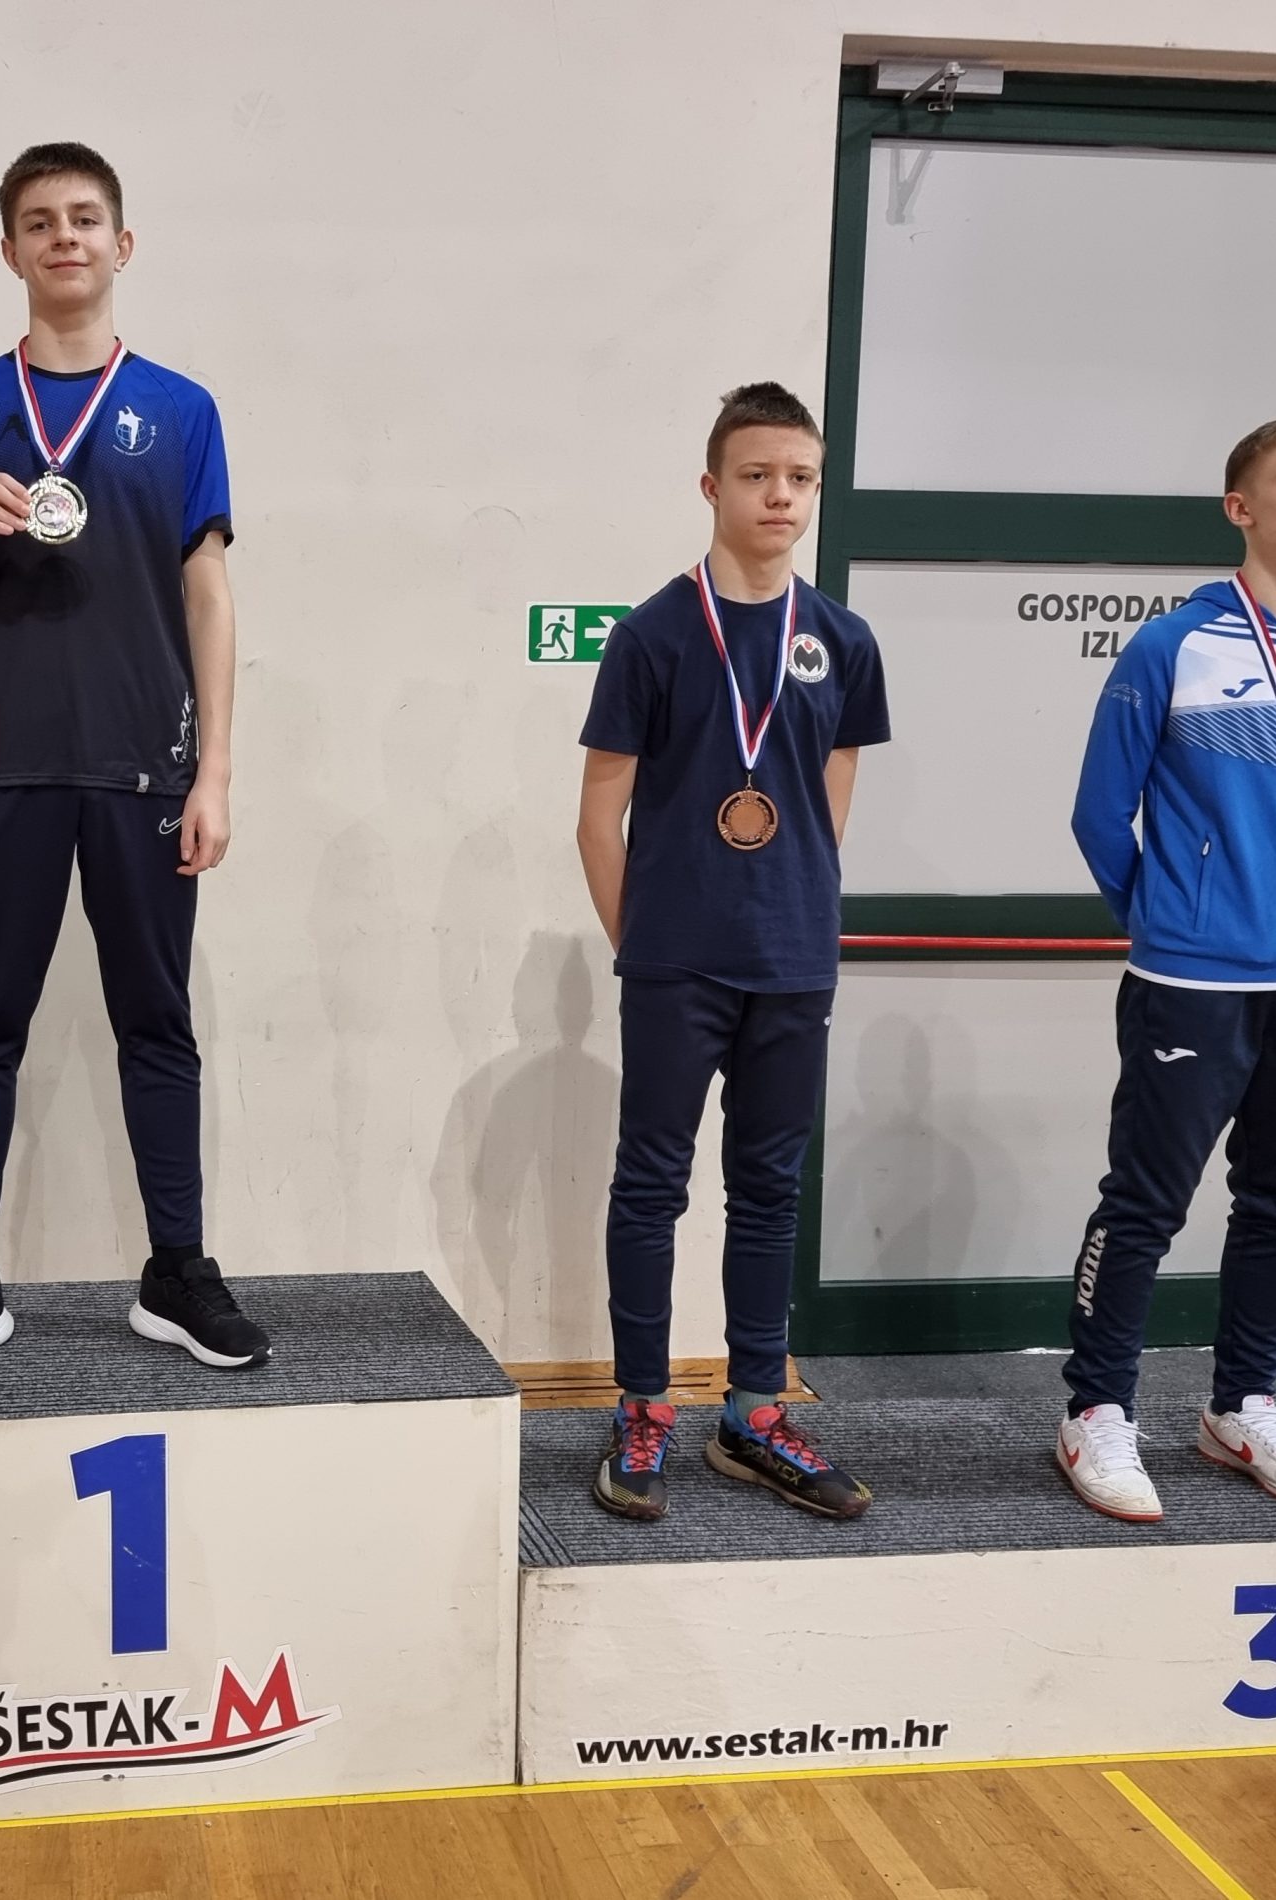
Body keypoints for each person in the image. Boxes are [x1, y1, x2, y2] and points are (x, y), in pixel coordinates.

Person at [0, 142, 267, 1383]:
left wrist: (215, 772)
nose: (65, 237)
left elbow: (207, 595)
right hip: (1, 762)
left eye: (86, 218)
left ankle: (177, 1271)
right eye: (40, 221)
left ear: (122, 244)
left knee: (157, 1022)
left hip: (145, 764)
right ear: (9, 251)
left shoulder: (183, 410)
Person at [1058, 410, 1276, 1523]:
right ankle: (1096, 1409)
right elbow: (1099, 815)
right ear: (1241, 507)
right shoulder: (1171, 648)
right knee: (1145, 1202)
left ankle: (1243, 1403)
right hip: (1193, 980)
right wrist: (1176, 917)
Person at [575, 383, 889, 1522]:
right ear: (713, 486)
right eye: (757, 475)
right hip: (676, 964)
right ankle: (642, 1405)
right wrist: (650, 944)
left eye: (800, 477)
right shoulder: (654, 634)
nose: (780, 495)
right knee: (650, 1185)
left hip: (792, 962)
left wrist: (789, 908)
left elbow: (829, 800)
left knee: (767, 1189)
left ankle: (754, 1412)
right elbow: (595, 819)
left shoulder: (841, 639)